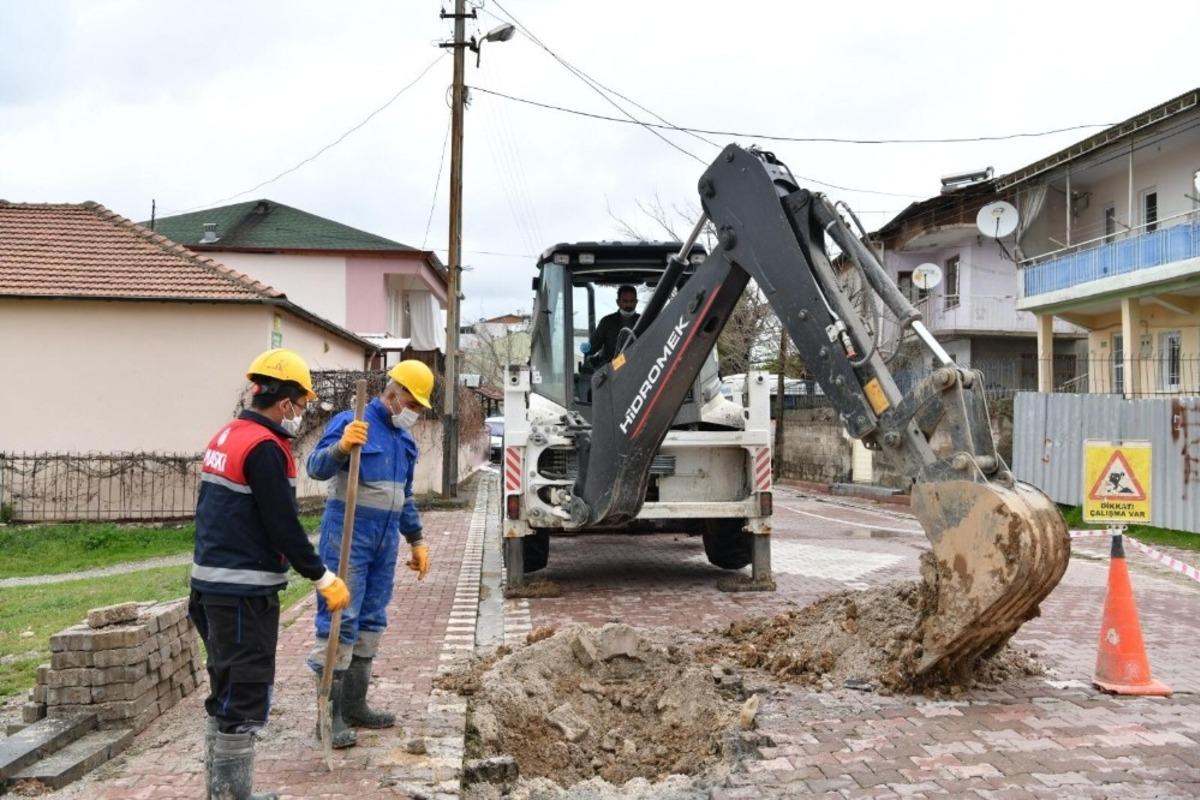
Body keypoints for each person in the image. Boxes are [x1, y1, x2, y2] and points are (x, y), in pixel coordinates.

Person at [190, 348, 351, 800]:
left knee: (223, 690)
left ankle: (222, 793)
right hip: (242, 592)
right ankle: (232, 796)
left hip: (209, 586)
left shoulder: (228, 435)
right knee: (243, 696)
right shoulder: (264, 448)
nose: (301, 415)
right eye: (302, 406)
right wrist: (322, 577)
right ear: (286, 403)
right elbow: (281, 525)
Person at [304, 360, 434, 749]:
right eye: (413, 404)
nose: (416, 413)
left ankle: (356, 706)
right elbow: (315, 467)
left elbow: (404, 496)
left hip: (383, 542)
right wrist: (342, 447)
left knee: (372, 620)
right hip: (348, 533)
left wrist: (416, 540)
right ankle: (329, 716)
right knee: (340, 619)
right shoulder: (352, 421)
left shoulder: (403, 440)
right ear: (393, 395)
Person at [586, 284, 640, 367]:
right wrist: (587, 348)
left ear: (636, 302)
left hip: (639, 367)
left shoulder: (645, 321)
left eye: (632, 301)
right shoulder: (607, 322)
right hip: (611, 370)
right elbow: (594, 346)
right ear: (618, 302)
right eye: (625, 301)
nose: (629, 305)